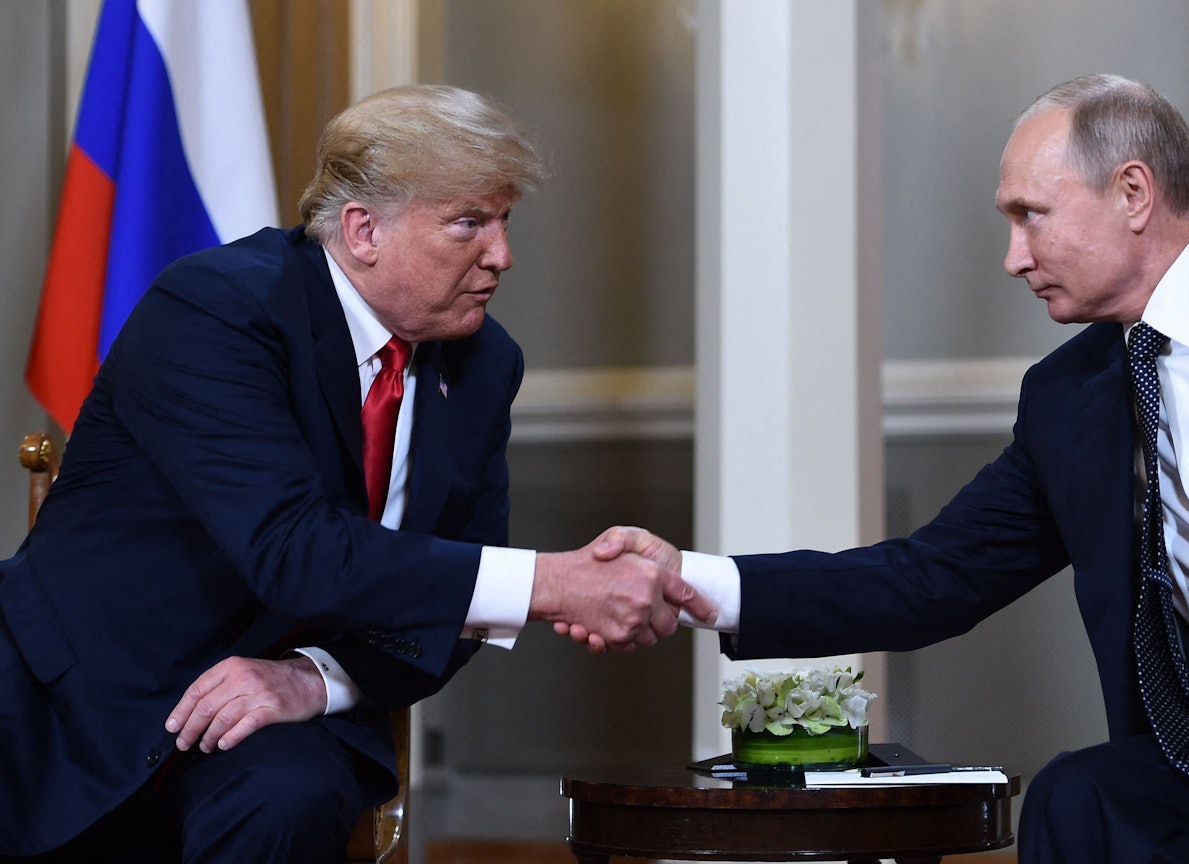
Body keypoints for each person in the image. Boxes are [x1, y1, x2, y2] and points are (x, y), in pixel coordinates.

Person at [590, 73, 1189, 862]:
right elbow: (933, 578)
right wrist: (695, 581)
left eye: (1029, 217)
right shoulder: (1071, 396)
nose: (1012, 258)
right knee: (1084, 798)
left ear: (1132, 193)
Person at [0, 84, 712, 863]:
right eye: (468, 223)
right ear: (363, 230)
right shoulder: (215, 311)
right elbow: (293, 548)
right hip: (80, 700)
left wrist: (319, 679)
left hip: (269, 716)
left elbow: (459, 598)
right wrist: (553, 584)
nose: (502, 254)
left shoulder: (483, 363)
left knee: (290, 797)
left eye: (505, 221)